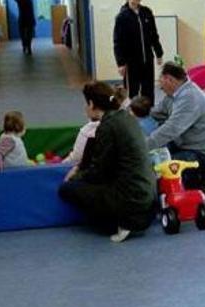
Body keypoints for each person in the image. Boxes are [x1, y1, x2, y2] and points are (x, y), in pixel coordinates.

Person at [59, 81, 157, 243]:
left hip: (131, 199)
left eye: (86, 104)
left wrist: (75, 177)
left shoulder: (108, 126)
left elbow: (98, 172)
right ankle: (131, 218)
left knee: (67, 189)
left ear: (91, 104)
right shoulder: (126, 117)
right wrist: (80, 167)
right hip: (147, 196)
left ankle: (120, 222)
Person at [147, 62, 205, 194]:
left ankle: (202, 177)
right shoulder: (173, 95)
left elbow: (170, 129)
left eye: (161, 82)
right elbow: (154, 113)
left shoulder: (190, 97)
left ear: (169, 80)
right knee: (155, 157)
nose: (160, 86)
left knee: (162, 170)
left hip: (204, 155)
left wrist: (141, 146)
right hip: (185, 144)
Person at [113, 0, 164, 100]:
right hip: (131, 63)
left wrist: (159, 53)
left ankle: (148, 113)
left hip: (147, 60)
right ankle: (131, 114)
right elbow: (117, 42)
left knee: (148, 91)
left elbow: (153, 34)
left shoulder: (147, 12)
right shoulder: (122, 16)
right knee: (132, 92)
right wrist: (120, 63)